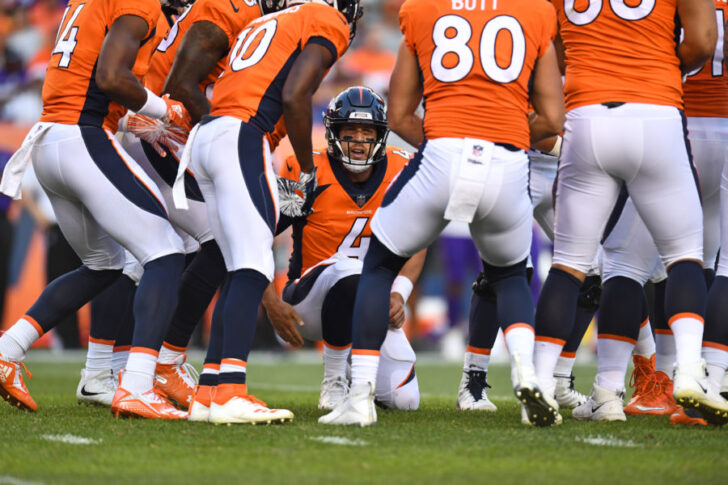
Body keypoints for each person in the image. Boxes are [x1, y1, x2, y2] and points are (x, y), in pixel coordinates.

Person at [319, 0, 565, 427]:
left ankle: (359, 395)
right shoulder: (537, 10)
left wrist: (447, 141)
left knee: (378, 263)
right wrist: (497, 135)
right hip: (506, 161)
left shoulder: (420, 9)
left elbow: (397, 115)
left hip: (444, 153)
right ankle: (528, 376)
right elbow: (553, 118)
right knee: (510, 274)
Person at [533, 0, 728, 425]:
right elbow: (701, 42)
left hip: (588, 114)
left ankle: (550, 383)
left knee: (576, 264)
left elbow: (550, 44)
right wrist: (654, 61)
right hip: (659, 112)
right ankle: (696, 372)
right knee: (689, 257)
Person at [0, 0, 193, 419]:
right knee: (165, 252)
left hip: (52, 138)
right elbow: (109, 77)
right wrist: (165, 109)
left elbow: (85, 75)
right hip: (80, 137)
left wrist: (128, 119)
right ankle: (138, 383)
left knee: (105, 264)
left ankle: (8, 350)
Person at [175, 0, 360, 424]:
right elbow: (296, 95)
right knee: (254, 264)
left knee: (234, 261)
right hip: (242, 133)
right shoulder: (325, 19)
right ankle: (229, 393)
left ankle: (210, 391)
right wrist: (310, 170)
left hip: (210, 134)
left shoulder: (271, 20)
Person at [267, 86, 424, 411]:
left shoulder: (399, 170)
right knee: (351, 266)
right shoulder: (307, 171)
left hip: (370, 303)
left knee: (404, 401)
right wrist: (269, 300)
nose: (357, 141)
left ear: (381, 136)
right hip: (307, 303)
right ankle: (335, 378)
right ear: (332, 133)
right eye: (348, 131)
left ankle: (357, 364)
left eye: (367, 132)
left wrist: (399, 294)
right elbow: (259, 234)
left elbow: (417, 239)